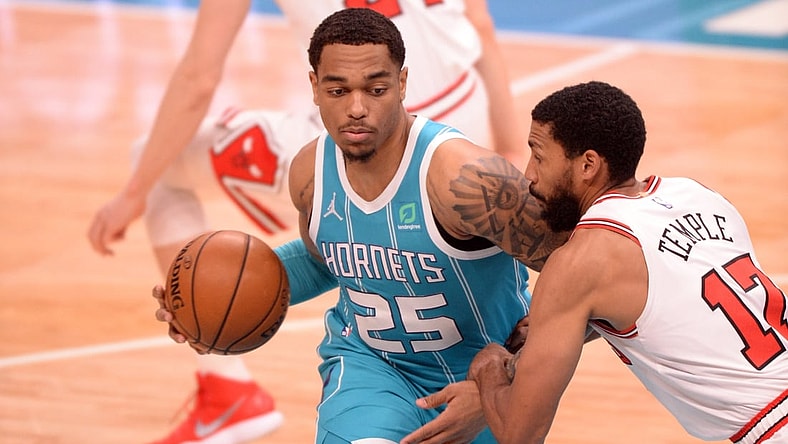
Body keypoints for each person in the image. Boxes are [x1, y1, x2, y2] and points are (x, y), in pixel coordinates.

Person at [86, 1, 526, 443]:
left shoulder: (325, 162)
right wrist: (510, 149)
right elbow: (480, 24)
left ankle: (225, 388)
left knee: (155, 156)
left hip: (377, 133)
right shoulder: (472, 172)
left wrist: (134, 193)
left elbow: (198, 79)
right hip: (460, 103)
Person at [468, 81, 788, 444]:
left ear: (588, 165)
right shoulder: (699, 195)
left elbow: (519, 434)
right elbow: (677, 304)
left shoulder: (579, 262)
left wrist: (488, 367)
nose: (529, 175)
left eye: (539, 156)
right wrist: (557, 322)